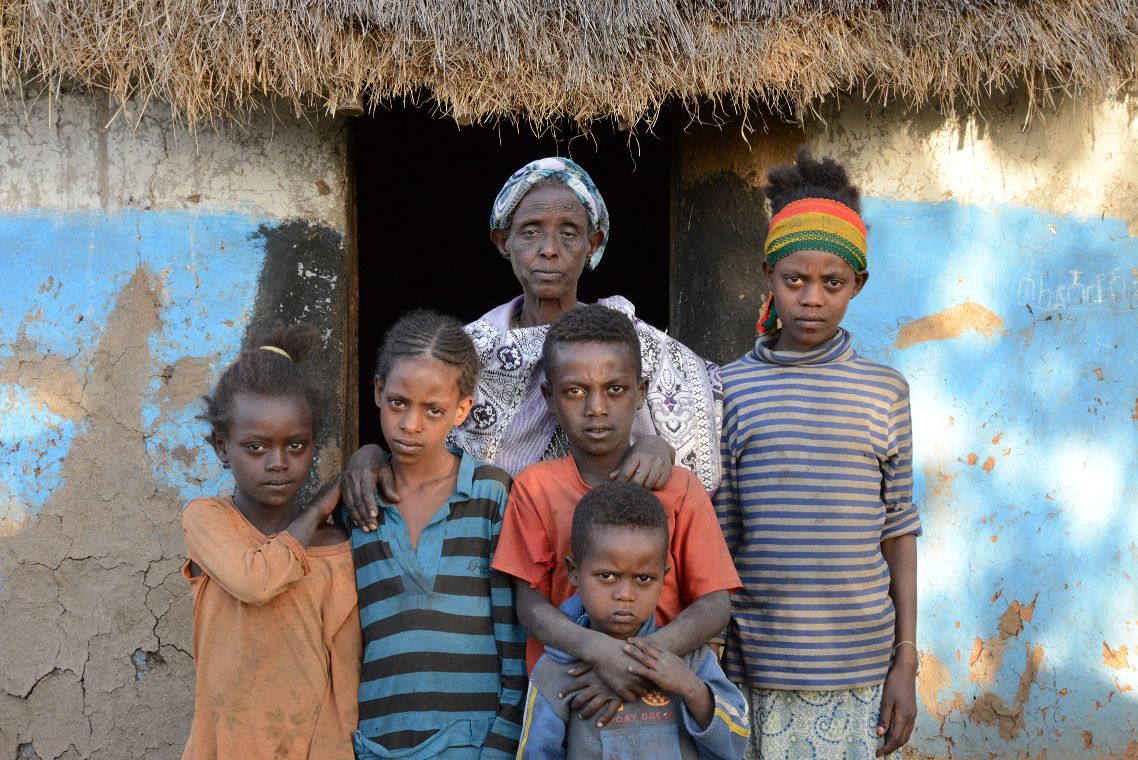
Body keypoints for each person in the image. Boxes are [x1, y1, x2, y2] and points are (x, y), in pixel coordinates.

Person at [341, 157, 722, 531]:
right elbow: (419, 437)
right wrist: (370, 453)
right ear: (503, 241)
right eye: (531, 231)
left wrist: (660, 446)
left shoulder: (631, 341)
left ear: (593, 245)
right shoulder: (468, 351)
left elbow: (690, 447)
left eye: (569, 232)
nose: (550, 248)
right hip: (491, 552)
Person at [714, 149, 921, 760]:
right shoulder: (728, 387)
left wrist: (905, 660)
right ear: (768, 276)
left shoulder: (886, 391)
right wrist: (715, 656)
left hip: (859, 666)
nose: (811, 298)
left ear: (857, 283)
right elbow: (721, 531)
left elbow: (900, 529)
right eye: (794, 280)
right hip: (755, 660)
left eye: (832, 283)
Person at [492, 304, 741, 723]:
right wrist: (600, 651)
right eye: (575, 391)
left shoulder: (680, 490)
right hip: (570, 704)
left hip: (666, 706)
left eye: (615, 389)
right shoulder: (535, 489)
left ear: (641, 391)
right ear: (548, 397)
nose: (596, 407)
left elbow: (715, 603)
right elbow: (529, 604)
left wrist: (640, 660)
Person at [342, 309, 526, 760]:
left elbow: (516, 636)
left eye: (434, 410)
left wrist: (500, 745)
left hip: (474, 743)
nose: (411, 424)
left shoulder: (491, 494)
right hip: (375, 743)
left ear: (462, 409)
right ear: (378, 392)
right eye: (398, 402)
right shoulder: (357, 504)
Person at [180, 323, 359, 760]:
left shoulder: (337, 546)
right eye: (256, 448)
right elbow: (255, 580)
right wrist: (318, 508)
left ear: (313, 444)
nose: (278, 463)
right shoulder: (208, 519)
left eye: (296, 445)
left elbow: (346, 675)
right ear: (222, 447)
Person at [516, 481, 749, 759]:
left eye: (643, 579)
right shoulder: (556, 672)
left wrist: (690, 687)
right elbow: (536, 753)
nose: (625, 595)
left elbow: (737, 743)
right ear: (574, 572)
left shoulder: (692, 660)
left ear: (664, 577)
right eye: (607, 576)